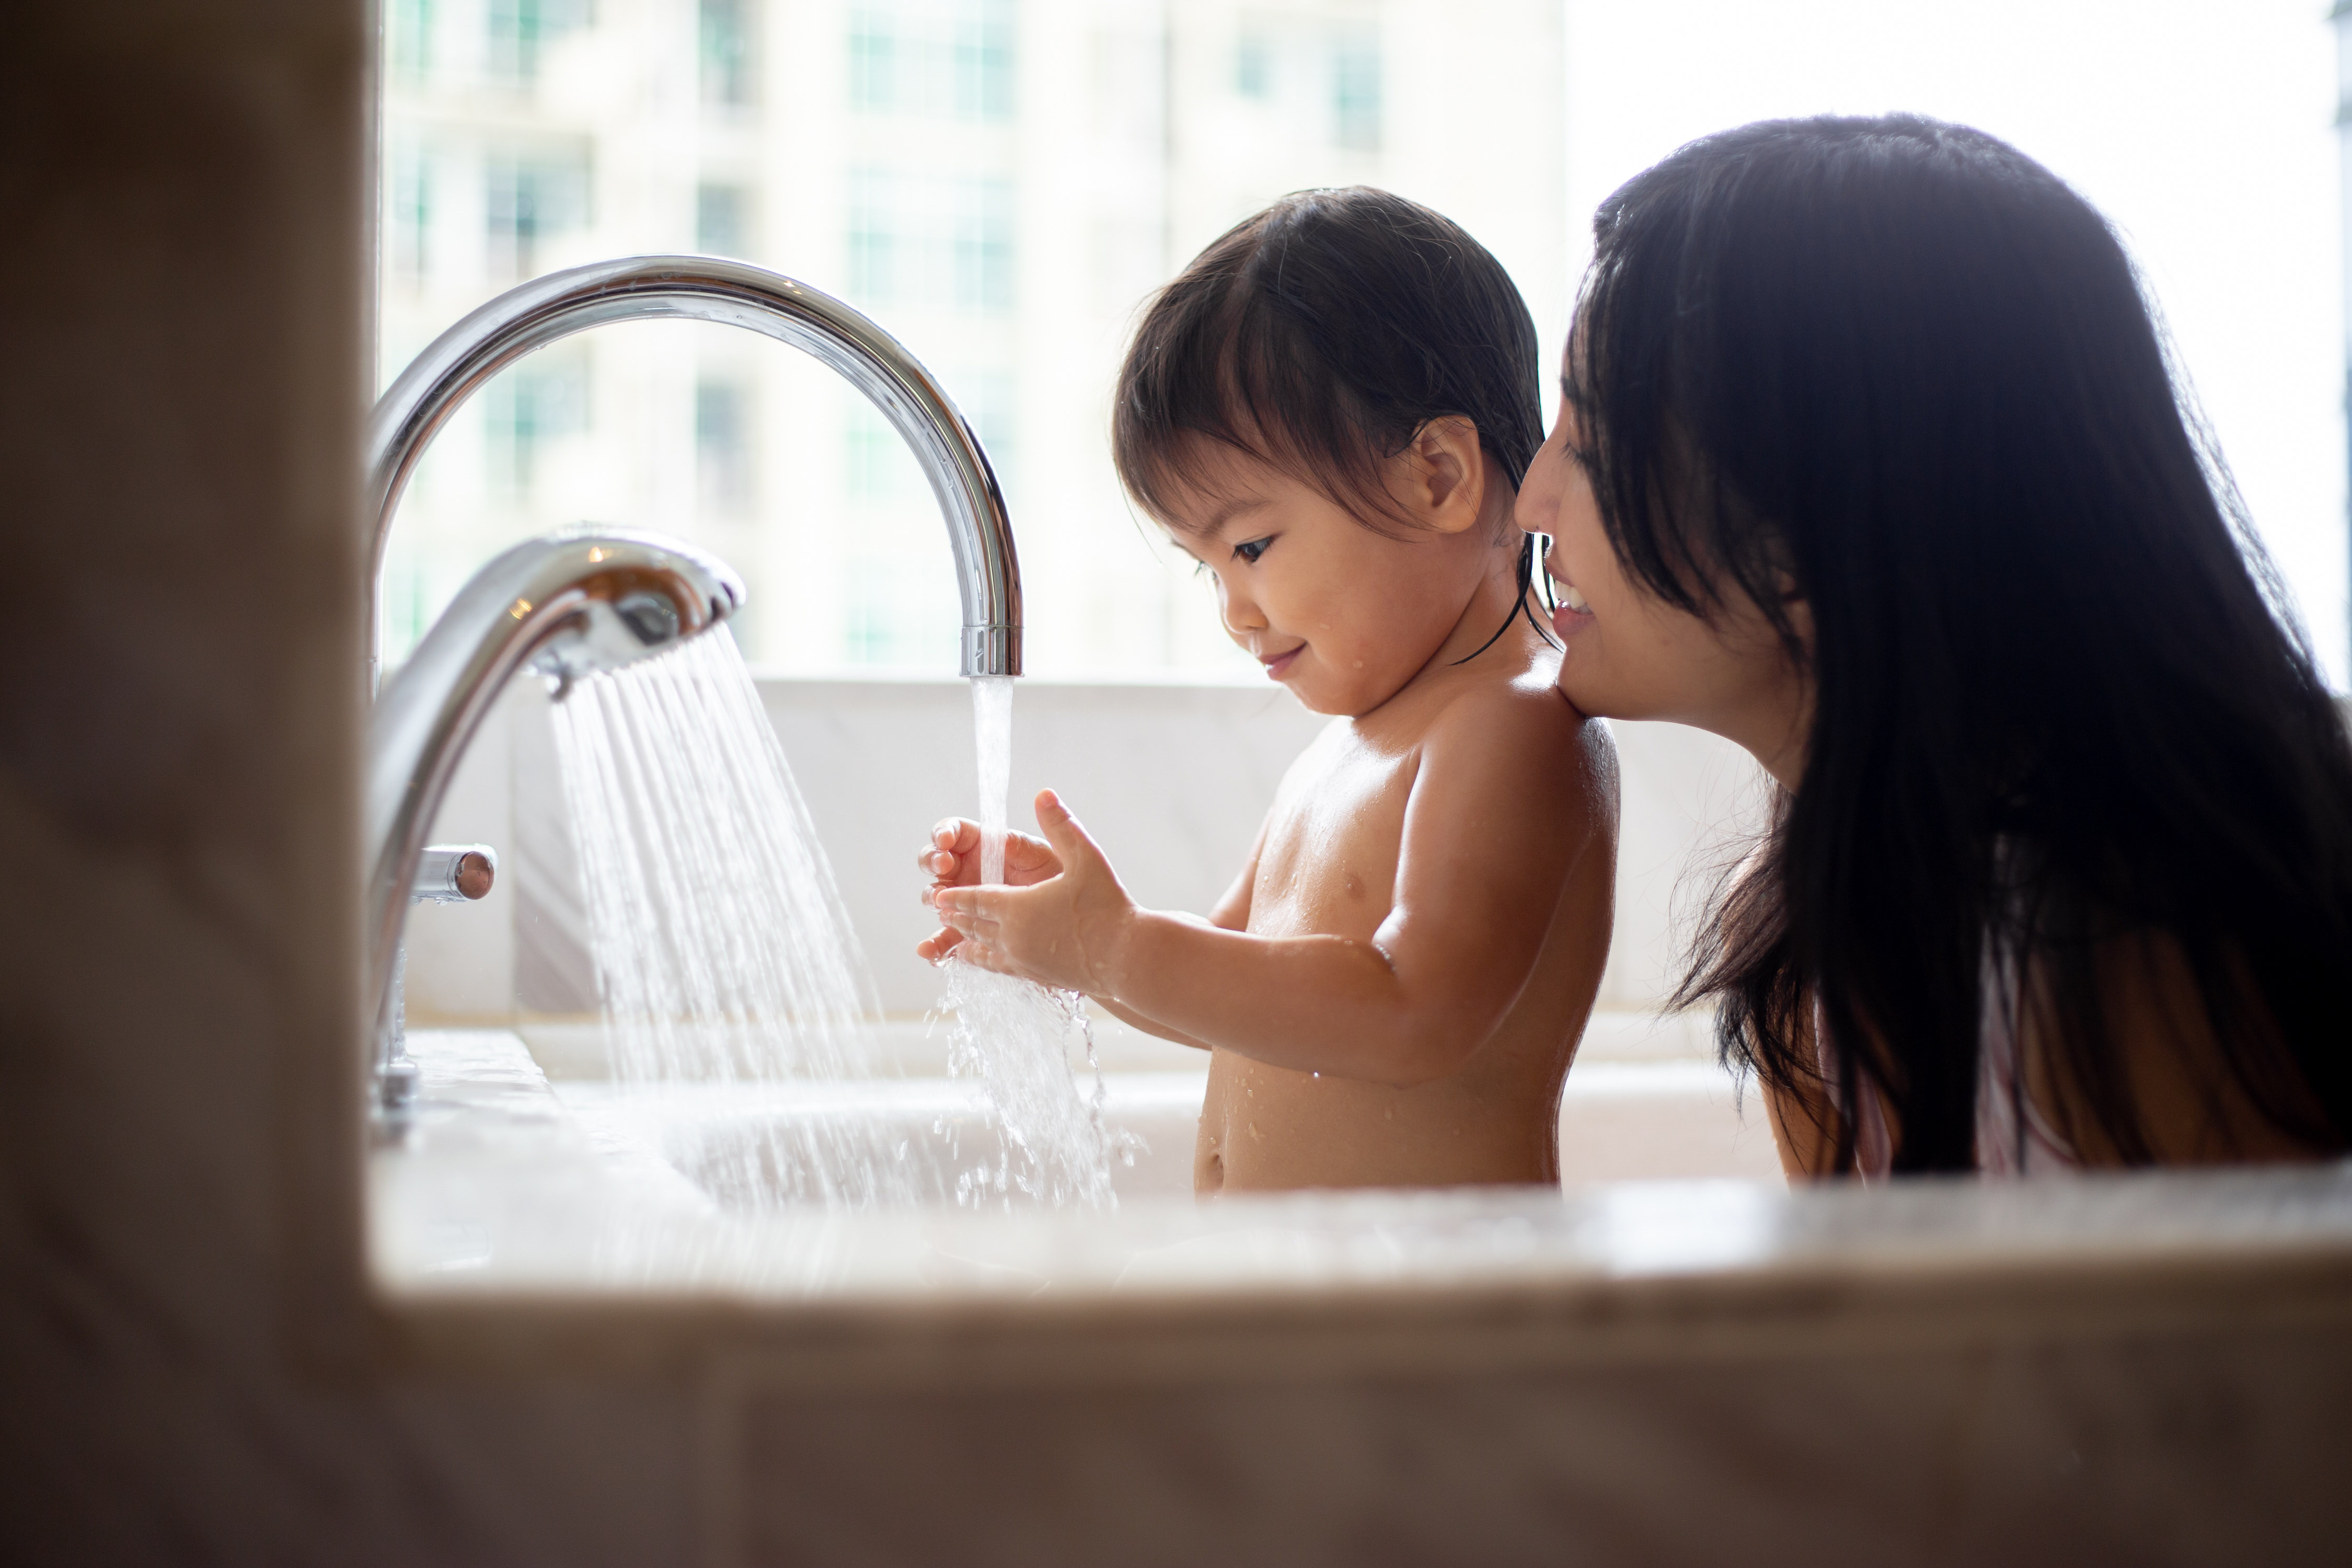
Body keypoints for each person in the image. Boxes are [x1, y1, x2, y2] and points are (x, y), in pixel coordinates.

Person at [1513, 114, 2352, 1178]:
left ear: (1808, 535)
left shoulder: (2142, 946)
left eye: (1589, 446)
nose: (1531, 506)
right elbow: (1877, 1334)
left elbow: (2263, 1344)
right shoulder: (1800, 925)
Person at [918, 187, 1618, 1193]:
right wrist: (1069, 938)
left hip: (1438, 1323)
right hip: (1309, 1324)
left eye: (1252, 545)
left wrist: (1116, 947)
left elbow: (1413, 1009)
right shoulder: (1349, 747)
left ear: (1437, 477)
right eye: (1208, 567)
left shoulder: (1508, 730)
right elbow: (1225, 980)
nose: (1234, 609)